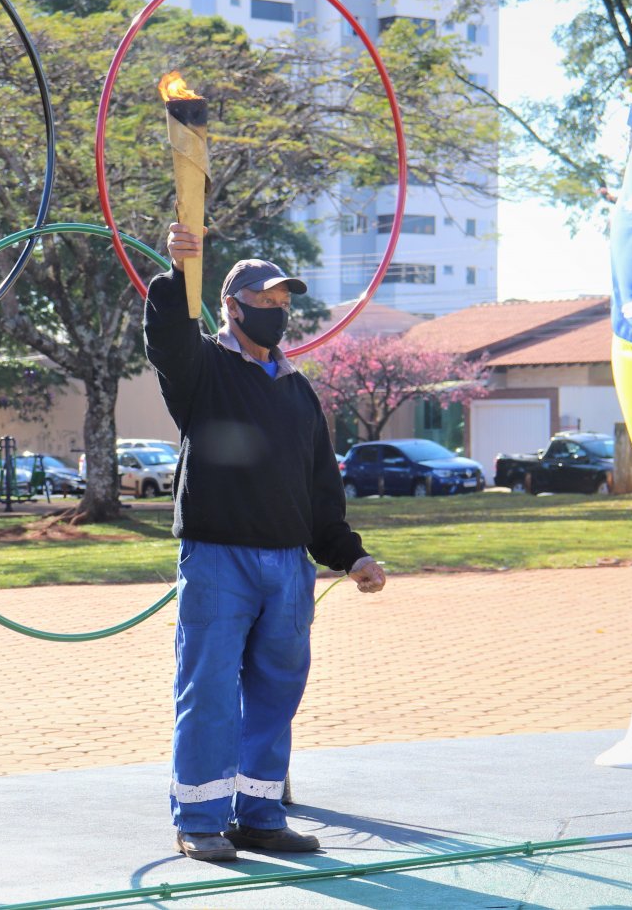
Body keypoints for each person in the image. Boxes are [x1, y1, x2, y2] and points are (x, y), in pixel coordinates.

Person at [144, 222, 387, 863]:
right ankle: (199, 816)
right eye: (265, 300)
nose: (278, 312)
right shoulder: (202, 369)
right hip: (218, 559)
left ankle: (259, 814)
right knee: (211, 688)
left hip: (288, 568)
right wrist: (177, 276)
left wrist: (350, 555)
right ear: (231, 305)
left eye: (284, 303)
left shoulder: (298, 390)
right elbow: (166, 338)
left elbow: (320, 494)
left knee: (277, 690)